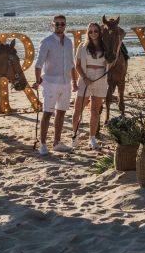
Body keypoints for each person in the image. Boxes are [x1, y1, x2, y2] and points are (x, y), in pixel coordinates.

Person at [32, 15, 77, 156]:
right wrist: (37, 80)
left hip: (66, 83)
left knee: (61, 113)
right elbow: (38, 64)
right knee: (47, 113)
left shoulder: (69, 42)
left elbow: (71, 64)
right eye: (57, 24)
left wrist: (74, 82)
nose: (59, 26)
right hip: (50, 83)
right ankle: (43, 145)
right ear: (53, 25)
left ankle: (57, 142)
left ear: (65, 25)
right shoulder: (46, 42)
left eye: (62, 24)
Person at [70, 22, 109, 150]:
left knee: (95, 111)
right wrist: (84, 77)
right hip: (85, 79)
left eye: (95, 31)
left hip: (100, 80)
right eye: (90, 31)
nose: (93, 34)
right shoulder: (83, 46)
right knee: (78, 111)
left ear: (99, 32)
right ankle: (74, 136)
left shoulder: (105, 47)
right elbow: (77, 65)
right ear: (88, 33)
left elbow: (110, 62)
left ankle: (92, 138)